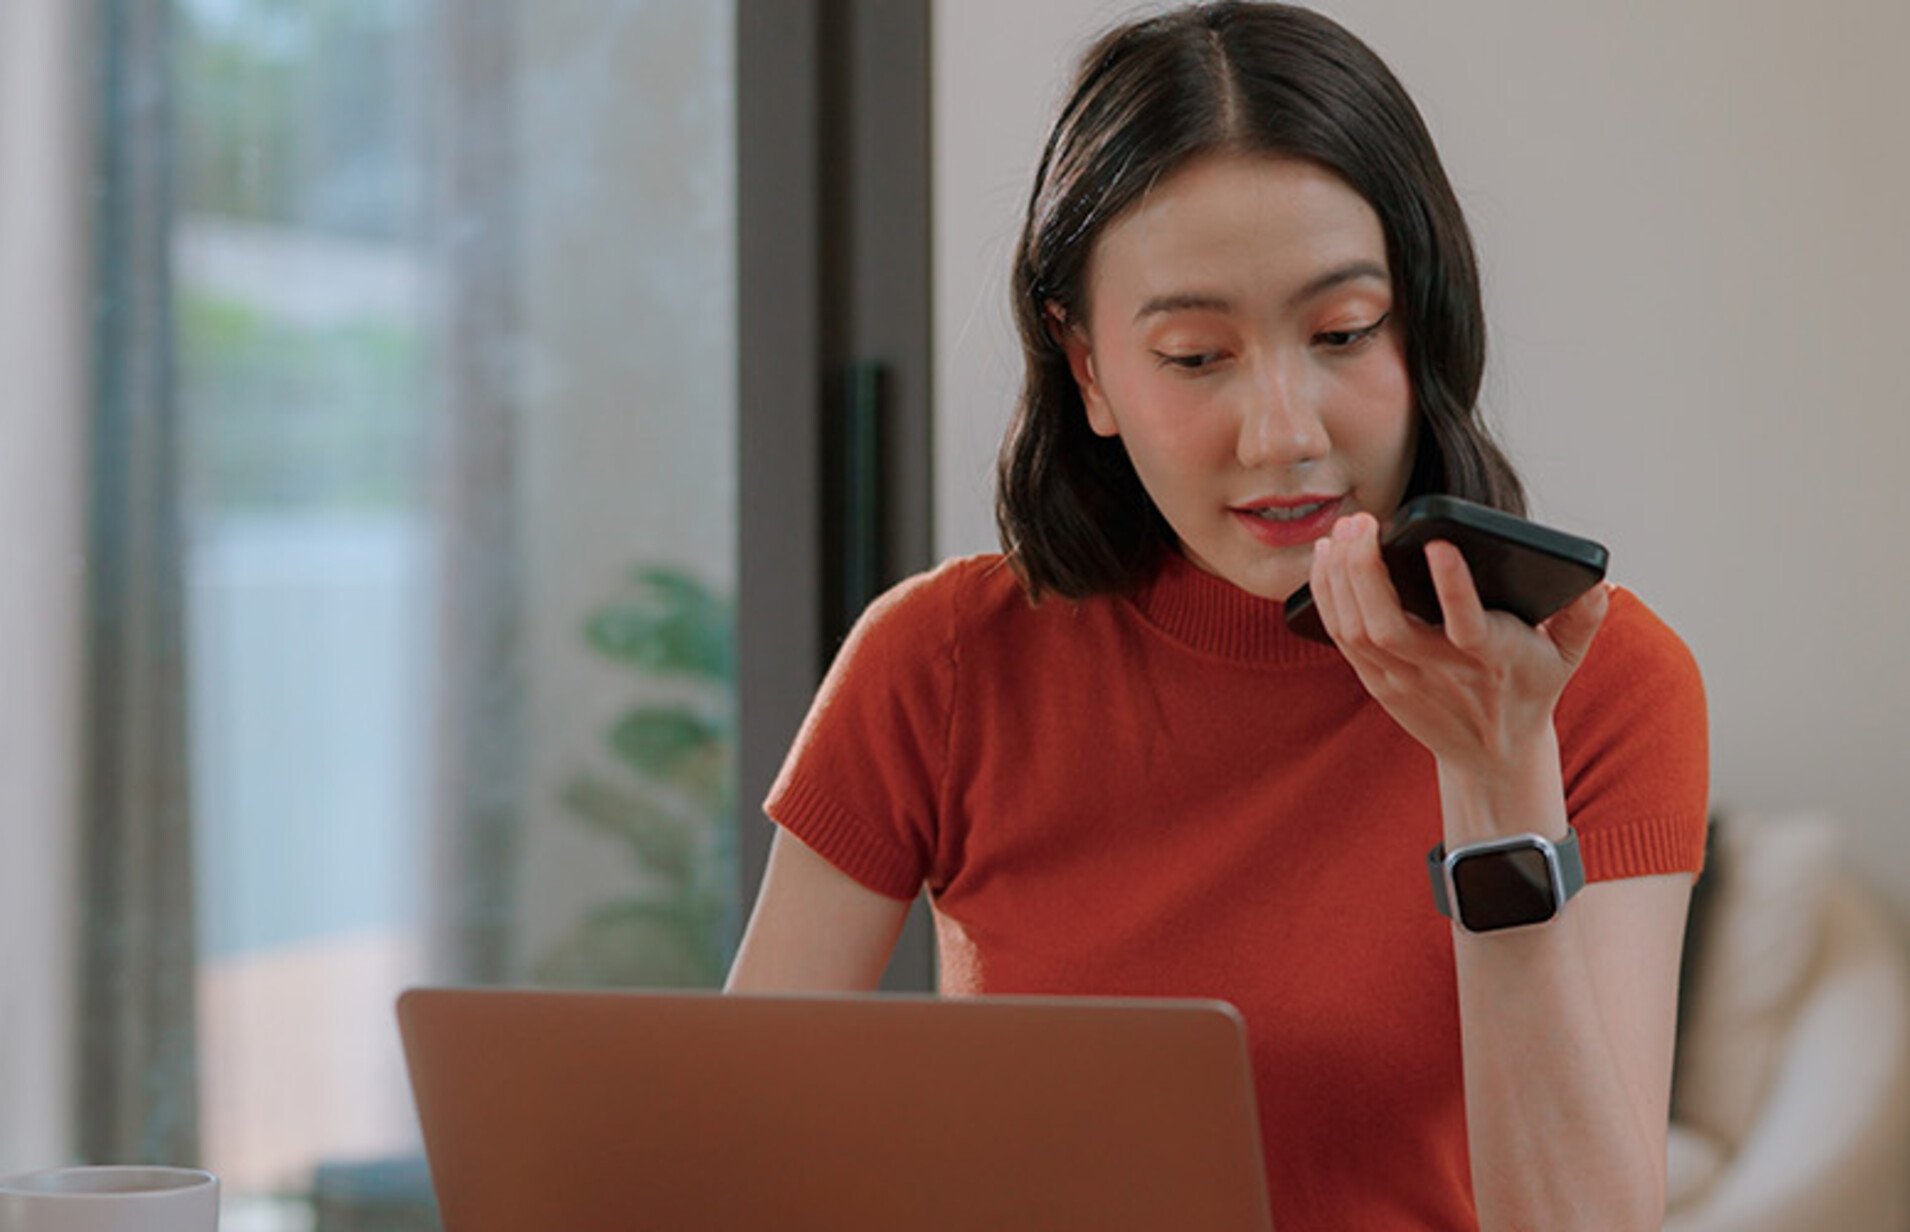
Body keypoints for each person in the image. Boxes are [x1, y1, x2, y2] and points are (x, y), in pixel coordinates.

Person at [727, 3, 1708, 1229]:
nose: (1284, 431)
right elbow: (734, 1156)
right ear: (1084, 366)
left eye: (1342, 332)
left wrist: (1496, 770)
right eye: (1196, 356)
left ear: (1425, 324)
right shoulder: (939, 662)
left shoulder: (1602, 682)